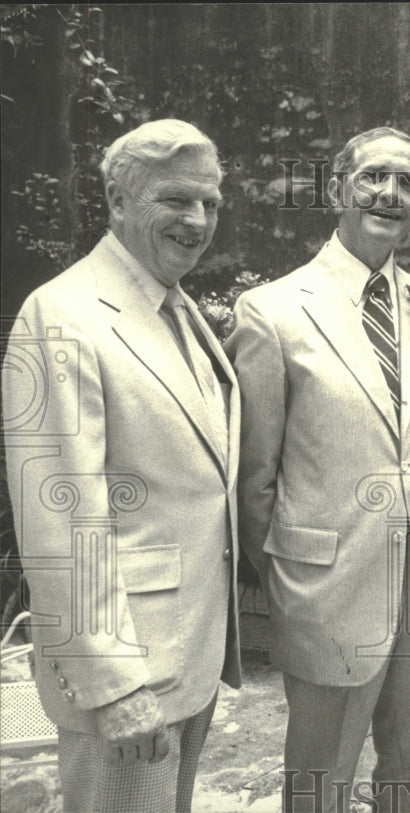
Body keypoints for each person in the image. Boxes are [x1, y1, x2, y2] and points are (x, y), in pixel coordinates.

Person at [2, 119, 242, 812]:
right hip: (131, 674)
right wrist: (113, 683)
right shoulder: (62, 314)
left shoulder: (178, 307)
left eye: (211, 203)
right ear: (117, 200)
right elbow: (61, 518)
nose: (197, 220)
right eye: (176, 199)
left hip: (184, 656)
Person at [227, 127, 410, 813]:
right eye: (374, 177)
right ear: (339, 189)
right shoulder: (272, 310)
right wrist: (288, 574)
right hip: (325, 585)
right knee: (320, 781)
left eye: (408, 183)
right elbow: (254, 474)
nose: (391, 193)